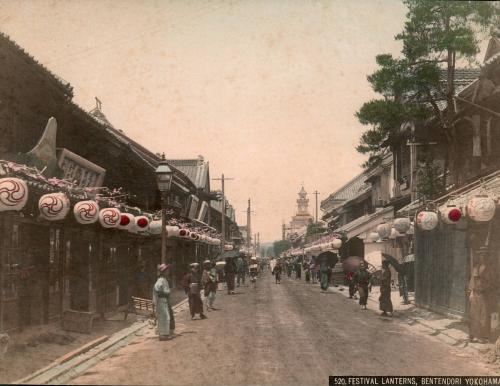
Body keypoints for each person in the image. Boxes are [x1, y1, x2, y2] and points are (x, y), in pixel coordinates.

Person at [468, 251, 493, 342]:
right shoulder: (476, 268)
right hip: (475, 293)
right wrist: (471, 292)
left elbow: (491, 282)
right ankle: (473, 335)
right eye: (481, 255)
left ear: (487, 257)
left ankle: (483, 337)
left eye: (484, 255)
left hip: (484, 294)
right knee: (474, 314)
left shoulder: (489, 269)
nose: (482, 257)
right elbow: (472, 280)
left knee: (484, 315)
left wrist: (486, 288)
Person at [152, 264, 172, 341]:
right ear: (163, 272)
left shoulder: (164, 279)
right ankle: (162, 335)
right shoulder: (161, 279)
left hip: (164, 300)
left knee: (166, 317)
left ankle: (164, 334)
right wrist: (164, 293)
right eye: (167, 270)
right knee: (164, 317)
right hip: (161, 300)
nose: (168, 271)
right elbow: (157, 288)